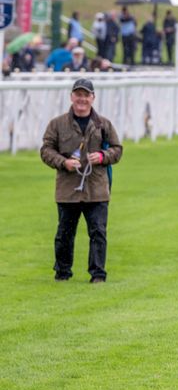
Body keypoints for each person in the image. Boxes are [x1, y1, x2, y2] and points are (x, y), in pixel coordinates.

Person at [40, 78, 123, 282]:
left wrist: (103, 157)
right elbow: (46, 150)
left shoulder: (103, 124)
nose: (82, 99)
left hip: (97, 188)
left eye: (86, 95)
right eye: (78, 94)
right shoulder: (57, 124)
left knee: (98, 232)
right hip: (68, 189)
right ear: (71, 97)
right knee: (64, 234)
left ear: (93, 98)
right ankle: (62, 272)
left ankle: (97, 275)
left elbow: (117, 149)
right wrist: (63, 162)